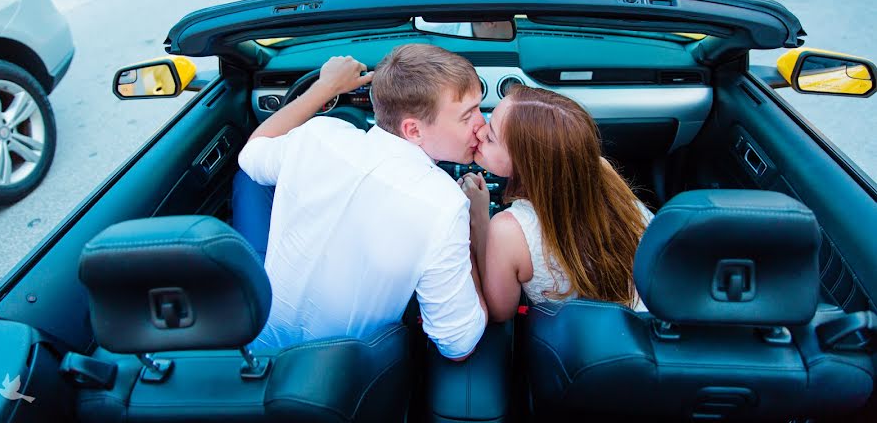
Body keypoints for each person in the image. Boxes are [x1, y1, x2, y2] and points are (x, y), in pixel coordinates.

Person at [235, 44, 488, 360]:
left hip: (257, 352)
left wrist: (325, 87)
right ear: (413, 130)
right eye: (468, 116)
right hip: (344, 381)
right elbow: (459, 346)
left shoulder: (316, 135)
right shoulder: (445, 204)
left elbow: (252, 155)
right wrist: (475, 231)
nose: (483, 124)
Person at [459, 85, 650, 321]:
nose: (479, 132)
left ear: (526, 165)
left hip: (593, 348)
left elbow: (500, 313)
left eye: (490, 137)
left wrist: (478, 220)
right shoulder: (602, 169)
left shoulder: (508, 230)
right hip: (650, 320)